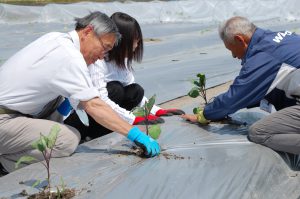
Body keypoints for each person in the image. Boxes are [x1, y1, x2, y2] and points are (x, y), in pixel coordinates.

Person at [0, 11, 160, 174]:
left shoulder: (55, 38)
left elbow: (81, 100)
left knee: (60, 98)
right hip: (4, 119)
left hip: (17, 112)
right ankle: (4, 164)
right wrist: (135, 134)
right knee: (67, 139)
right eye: (104, 48)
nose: (101, 57)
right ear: (88, 32)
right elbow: (93, 105)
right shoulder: (69, 56)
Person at [181, 16, 300, 155]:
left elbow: (235, 96)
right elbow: (262, 90)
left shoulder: (263, 56)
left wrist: (205, 114)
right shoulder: (285, 37)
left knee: (258, 132)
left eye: (231, 49)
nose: (233, 56)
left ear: (240, 40)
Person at [64, 12, 184, 141]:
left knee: (135, 90)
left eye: (138, 40)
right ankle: (93, 133)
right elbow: (99, 101)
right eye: (135, 39)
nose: (137, 44)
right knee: (116, 89)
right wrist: (133, 119)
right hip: (81, 117)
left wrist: (156, 111)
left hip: (102, 114)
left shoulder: (123, 62)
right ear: (122, 40)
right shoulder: (97, 60)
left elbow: (134, 92)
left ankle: (108, 129)